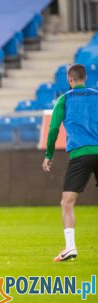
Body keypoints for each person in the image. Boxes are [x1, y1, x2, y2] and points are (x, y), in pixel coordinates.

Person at [42, 64, 98, 262]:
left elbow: (53, 129)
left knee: (67, 202)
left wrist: (49, 154)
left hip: (80, 154)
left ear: (70, 79)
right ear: (85, 78)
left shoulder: (64, 99)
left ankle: (71, 247)